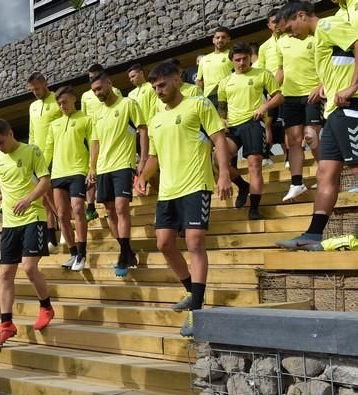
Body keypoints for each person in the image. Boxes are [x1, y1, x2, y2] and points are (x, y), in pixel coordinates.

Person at [136, 62, 232, 337]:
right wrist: (143, 176)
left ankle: (197, 311)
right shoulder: (155, 119)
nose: (158, 91)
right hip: (167, 191)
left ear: (177, 80)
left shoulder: (198, 105)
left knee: (194, 242)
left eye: (162, 85)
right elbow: (154, 156)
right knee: (164, 244)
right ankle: (193, 290)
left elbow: (219, 139)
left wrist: (224, 173)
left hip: (196, 185)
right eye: (154, 87)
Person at [276, 1, 358, 249]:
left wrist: (353, 86)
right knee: (325, 173)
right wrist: (325, 85)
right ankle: (313, 234)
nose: (290, 34)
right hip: (333, 112)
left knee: (356, 170)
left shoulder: (328, 24)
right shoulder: (322, 35)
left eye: (290, 27)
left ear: (302, 15)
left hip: (350, 106)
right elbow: (340, 62)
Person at [0, 118, 54, 348]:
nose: (0, 148)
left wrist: (28, 199)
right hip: (9, 222)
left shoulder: (32, 151)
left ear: (11, 133)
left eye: (2, 142)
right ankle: (7, 325)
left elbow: (45, 182)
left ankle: (46, 306)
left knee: (28, 266)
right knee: (5, 273)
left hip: (33, 217)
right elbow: (2, 180)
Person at [88, 70, 147, 277]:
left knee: (121, 207)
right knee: (110, 211)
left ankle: (123, 254)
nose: (97, 93)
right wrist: (92, 167)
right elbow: (95, 142)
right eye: (94, 91)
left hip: (123, 164)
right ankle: (127, 251)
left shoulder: (128, 104)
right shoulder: (97, 113)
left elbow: (142, 129)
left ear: (110, 83)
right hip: (103, 168)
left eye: (100, 88)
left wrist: (144, 159)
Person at [218, 42, 284, 220]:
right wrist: (222, 120)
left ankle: (254, 208)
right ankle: (242, 185)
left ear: (250, 58)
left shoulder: (262, 74)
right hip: (232, 127)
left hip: (253, 123)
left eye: (244, 59)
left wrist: (265, 106)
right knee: (219, 161)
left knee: (254, 166)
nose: (241, 63)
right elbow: (222, 107)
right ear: (231, 61)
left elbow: (278, 96)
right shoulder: (225, 82)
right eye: (237, 60)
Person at [275, 11, 324, 202]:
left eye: (287, 28)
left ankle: (326, 173)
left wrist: (321, 86)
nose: (287, 33)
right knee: (293, 141)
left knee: (311, 137)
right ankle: (296, 183)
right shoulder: (281, 43)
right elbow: (281, 69)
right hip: (290, 96)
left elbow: (325, 64)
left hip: (312, 93)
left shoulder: (313, 36)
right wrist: (273, 90)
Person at [45, 85, 92, 271]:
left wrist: (91, 168)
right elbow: (48, 150)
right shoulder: (54, 125)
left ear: (74, 98)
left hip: (78, 171)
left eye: (64, 102)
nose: (62, 106)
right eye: (59, 103)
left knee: (78, 209)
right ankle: (73, 254)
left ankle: (82, 253)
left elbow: (93, 145)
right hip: (58, 174)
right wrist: (41, 171)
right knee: (62, 215)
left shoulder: (86, 119)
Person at [81, 63, 121, 222]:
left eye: (96, 76)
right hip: (93, 138)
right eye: (90, 78)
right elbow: (84, 117)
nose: (93, 80)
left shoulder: (115, 90)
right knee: (91, 170)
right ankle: (90, 206)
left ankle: (114, 203)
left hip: (111, 137)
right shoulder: (85, 96)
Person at [27, 72, 62, 251]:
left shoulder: (57, 99)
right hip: (39, 157)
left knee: (54, 195)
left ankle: (64, 228)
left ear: (45, 83)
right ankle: (51, 238)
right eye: (32, 90)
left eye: (37, 89)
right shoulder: (32, 106)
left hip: (57, 154)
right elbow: (32, 133)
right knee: (44, 197)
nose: (35, 93)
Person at [254, 9, 288, 169]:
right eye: (273, 22)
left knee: (290, 124)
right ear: (268, 25)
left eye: (278, 20)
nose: (276, 24)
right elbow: (260, 71)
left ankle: (290, 158)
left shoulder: (291, 37)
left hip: (292, 89)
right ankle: (266, 155)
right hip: (272, 93)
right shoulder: (264, 47)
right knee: (267, 123)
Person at [196, 26, 234, 107]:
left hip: (227, 94)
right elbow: (199, 81)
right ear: (213, 40)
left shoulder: (232, 55)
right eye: (217, 37)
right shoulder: (204, 59)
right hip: (208, 98)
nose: (220, 40)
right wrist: (200, 98)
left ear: (228, 39)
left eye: (223, 37)